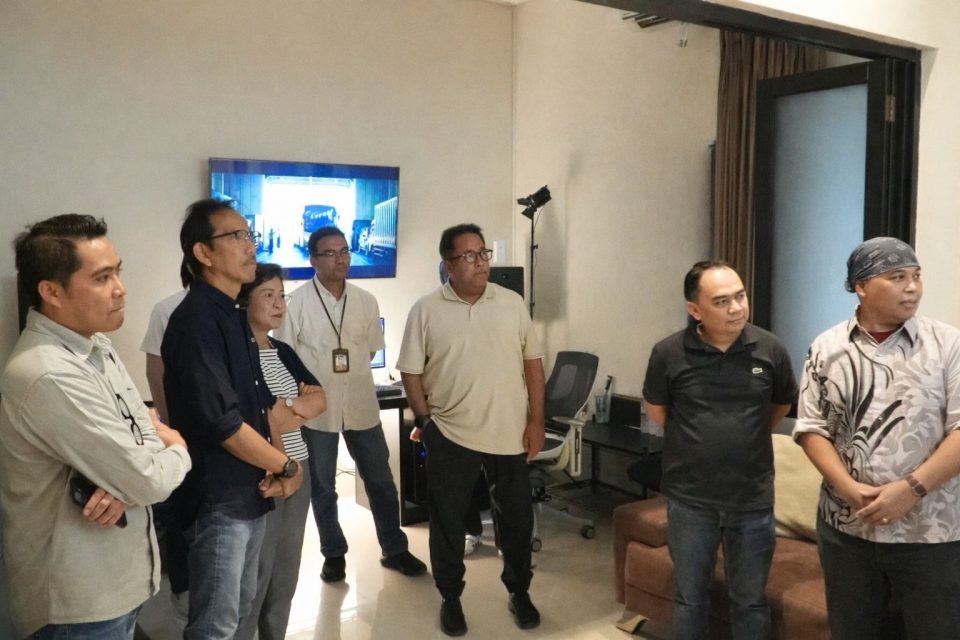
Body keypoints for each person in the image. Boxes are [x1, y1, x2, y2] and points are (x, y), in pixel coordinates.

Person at [0, 214, 191, 638]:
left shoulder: (96, 345)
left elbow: (141, 430)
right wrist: (177, 447)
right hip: (77, 605)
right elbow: (147, 476)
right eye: (102, 278)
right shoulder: (48, 372)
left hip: (116, 581)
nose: (120, 288)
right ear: (51, 291)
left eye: (117, 272)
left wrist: (125, 478)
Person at [794, 237, 960, 640]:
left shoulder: (948, 345)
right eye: (897, 277)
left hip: (930, 532)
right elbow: (811, 427)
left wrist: (911, 489)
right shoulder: (827, 347)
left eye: (916, 276)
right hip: (846, 530)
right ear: (862, 286)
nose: (912, 287)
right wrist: (847, 488)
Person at [162, 199, 313, 640]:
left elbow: (261, 408)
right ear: (203, 253)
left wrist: (280, 465)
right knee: (216, 626)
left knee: (241, 610)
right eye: (236, 236)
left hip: (250, 491)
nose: (250, 246)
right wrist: (286, 465)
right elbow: (223, 423)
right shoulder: (196, 321)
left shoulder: (232, 317)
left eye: (250, 235)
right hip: (218, 500)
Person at [398, 223, 545, 636]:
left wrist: (536, 421)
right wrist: (426, 422)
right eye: (469, 256)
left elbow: (533, 366)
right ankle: (450, 597)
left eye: (483, 253)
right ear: (448, 265)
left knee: (516, 521)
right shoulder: (426, 309)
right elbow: (411, 372)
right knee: (447, 521)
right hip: (451, 433)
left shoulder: (512, 303)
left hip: (509, 433)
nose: (480, 262)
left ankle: (519, 591)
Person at [642, 260, 796, 640]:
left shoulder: (770, 348)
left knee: (750, 601)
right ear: (695, 310)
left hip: (752, 498)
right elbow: (658, 411)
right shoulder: (668, 353)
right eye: (722, 301)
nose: (736, 308)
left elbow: (781, 405)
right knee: (690, 599)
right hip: (691, 498)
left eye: (740, 296)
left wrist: (742, 433)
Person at [276, 226, 426, 583]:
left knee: (381, 482)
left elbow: (371, 350)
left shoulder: (365, 301)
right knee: (323, 487)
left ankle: (395, 549)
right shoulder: (296, 303)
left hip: (361, 405)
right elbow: (285, 356)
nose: (340, 258)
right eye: (330, 253)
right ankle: (333, 554)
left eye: (344, 251)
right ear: (313, 260)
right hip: (318, 413)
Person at [235, 263, 327, 640]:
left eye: (281, 296)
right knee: (256, 575)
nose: (278, 304)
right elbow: (259, 417)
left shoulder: (282, 350)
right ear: (243, 301)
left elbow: (319, 398)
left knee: (285, 574)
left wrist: (286, 409)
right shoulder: (238, 355)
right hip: (266, 472)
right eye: (267, 295)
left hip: (298, 468)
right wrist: (289, 412)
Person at [139, 267, 190, 620]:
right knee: (183, 511)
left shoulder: (239, 307)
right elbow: (154, 372)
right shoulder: (169, 308)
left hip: (234, 432)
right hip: (183, 430)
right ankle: (183, 588)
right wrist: (171, 426)